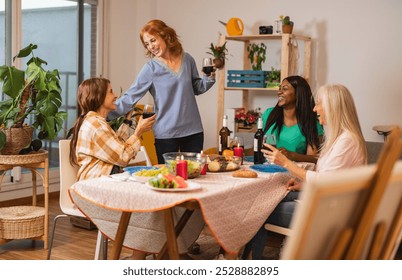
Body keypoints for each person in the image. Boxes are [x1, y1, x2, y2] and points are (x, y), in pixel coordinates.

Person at [244, 84, 368, 260]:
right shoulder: (340, 138)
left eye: (319, 104)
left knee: (258, 209)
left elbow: (324, 180)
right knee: (266, 195)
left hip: (331, 211)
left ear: (333, 107)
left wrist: (286, 162)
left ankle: (249, 263)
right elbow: (334, 179)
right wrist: (302, 185)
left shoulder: (347, 141)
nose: (315, 108)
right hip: (328, 200)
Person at [108, 19, 216, 163]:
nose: (150, 47)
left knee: (195, 177)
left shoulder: (187, 59)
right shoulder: (151, 69)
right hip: (166, 135)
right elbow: (130, 97)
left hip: (193, 131)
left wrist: (208, 77)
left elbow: (197, 87)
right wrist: (104, 112)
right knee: (168, 180)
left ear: (166, 36)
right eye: (147, 44)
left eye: (153, 40)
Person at [70, 77, 156, 181]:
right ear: (99, 97)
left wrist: (127, 119)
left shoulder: (96, 122)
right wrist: (138, 132)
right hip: (95, 184)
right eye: (110, 92)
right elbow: (123, 156)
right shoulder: (97, 126)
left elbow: (119, 147)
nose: (115, 95)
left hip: (104, 180)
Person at [261, 75, 323, 163]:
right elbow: (258, 146)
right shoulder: (268, 114)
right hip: (265, 169)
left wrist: (291, 155)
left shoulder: (311, 122)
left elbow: (314, 158)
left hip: (294, 174)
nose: (279, 92)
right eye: (280, 88)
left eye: (285, 89)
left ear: (298, 94)